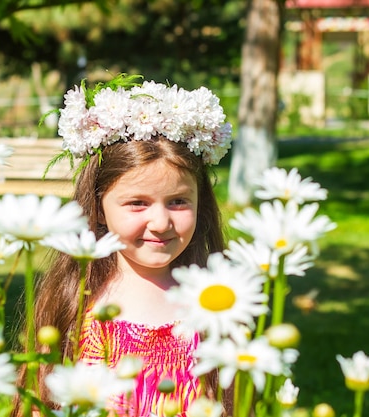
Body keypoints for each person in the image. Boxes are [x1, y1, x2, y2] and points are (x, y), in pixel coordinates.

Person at [15, 75, 232, 417]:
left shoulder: (219, 302)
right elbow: (44, 397)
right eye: (137, 203)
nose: (160, 222)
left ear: (200, 203)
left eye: (178, 201)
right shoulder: (77, 298)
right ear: (99, 208)